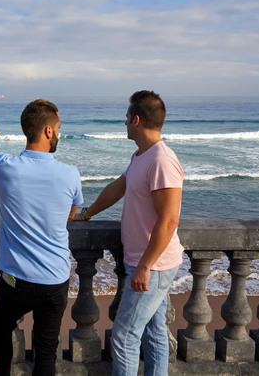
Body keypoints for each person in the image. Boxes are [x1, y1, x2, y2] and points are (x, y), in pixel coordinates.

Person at [73, 90, 183, 376]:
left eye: (126, 117)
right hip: (145, 261)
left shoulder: (162, 160)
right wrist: (86, 213)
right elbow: (117, 188)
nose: (123, 123)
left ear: (136, 120)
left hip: (153, 264)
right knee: (155, 332)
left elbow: (169, 220)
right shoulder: (141, 156)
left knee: (124, 336)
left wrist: (145, 265)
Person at [0, 99, 83, 376]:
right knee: (46, 350)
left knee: (2, 332)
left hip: (15, 279)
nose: (59, 133)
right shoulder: (70, 174)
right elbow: (70, 213)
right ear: (48, 131)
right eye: (58, 127)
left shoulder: (5, 166)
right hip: (54, 279)